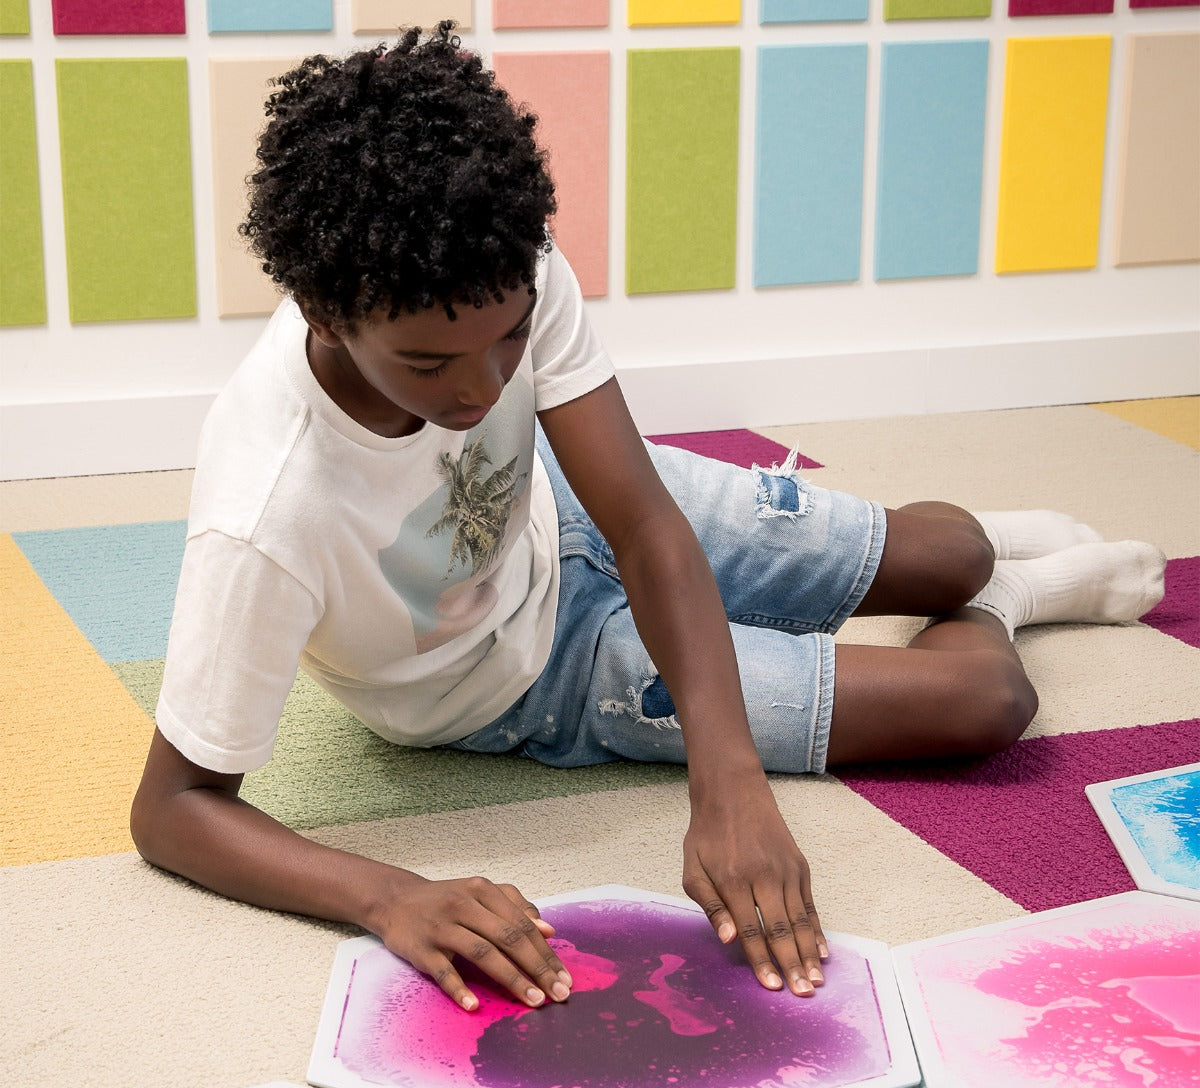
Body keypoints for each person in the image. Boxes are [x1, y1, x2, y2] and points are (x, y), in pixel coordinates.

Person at [130, 23, 1166, 1015]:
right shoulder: (267, 505)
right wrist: (390, 894)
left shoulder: (502, 258)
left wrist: (731, 781)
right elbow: (173, 809)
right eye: (431, 366)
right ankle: (1018, 597)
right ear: (324, 313)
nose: (487, 386)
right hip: (527, 680)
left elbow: (647, 527)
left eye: (511, 342)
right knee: (986, 697)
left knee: (950, 551)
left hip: (569, 502)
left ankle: (985, 566)